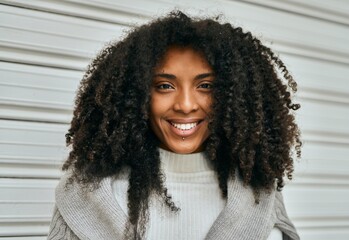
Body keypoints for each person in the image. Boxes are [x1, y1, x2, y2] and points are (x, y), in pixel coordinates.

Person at [47, 11, 302, 240]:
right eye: (164, 86)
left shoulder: (261, 195)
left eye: (206, 86)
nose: (186, 105)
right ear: (136, 96)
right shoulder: (84, 196)